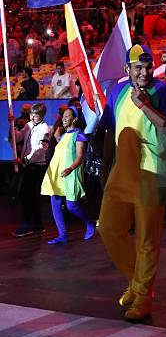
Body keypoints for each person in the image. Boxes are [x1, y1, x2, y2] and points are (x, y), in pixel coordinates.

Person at [98, 44, 166, 322]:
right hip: (121, 171)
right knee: (109, 228)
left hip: (153, 171)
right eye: (138, 67)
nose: (145, 71)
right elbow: (109, 129)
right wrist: (104, 167)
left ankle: (143, 297)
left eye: (148, 66)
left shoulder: (163, 92)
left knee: (147, 240)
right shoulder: (116, 92)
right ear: (128, 69)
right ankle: (137, 284)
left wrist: (144, 105)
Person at [41, 106, 95, 244]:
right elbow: (63, 151)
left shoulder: (79, 135)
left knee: (72, 206)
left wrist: (70, 168)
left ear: (75, 119)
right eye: (63, 116)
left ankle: (89, 223)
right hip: (58, 173)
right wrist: (57, 137)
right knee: (55, 203)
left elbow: (79, 156)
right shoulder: (64, 135)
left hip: (70, 173)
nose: (64, 118)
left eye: (67, 116)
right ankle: (62, 235)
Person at [10, 103, 49, 237]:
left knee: (28, 196)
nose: (32, 117)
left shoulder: (45, 129)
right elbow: (18, 137)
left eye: (36, 115)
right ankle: (37, 225)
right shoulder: (29, 125)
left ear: (42, 115)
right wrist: (13, 125)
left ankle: (27, 226)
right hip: (27, 165)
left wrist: (25, 160)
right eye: (32, 114)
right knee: (30, 196)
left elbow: (40, 149)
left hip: (36, 166)